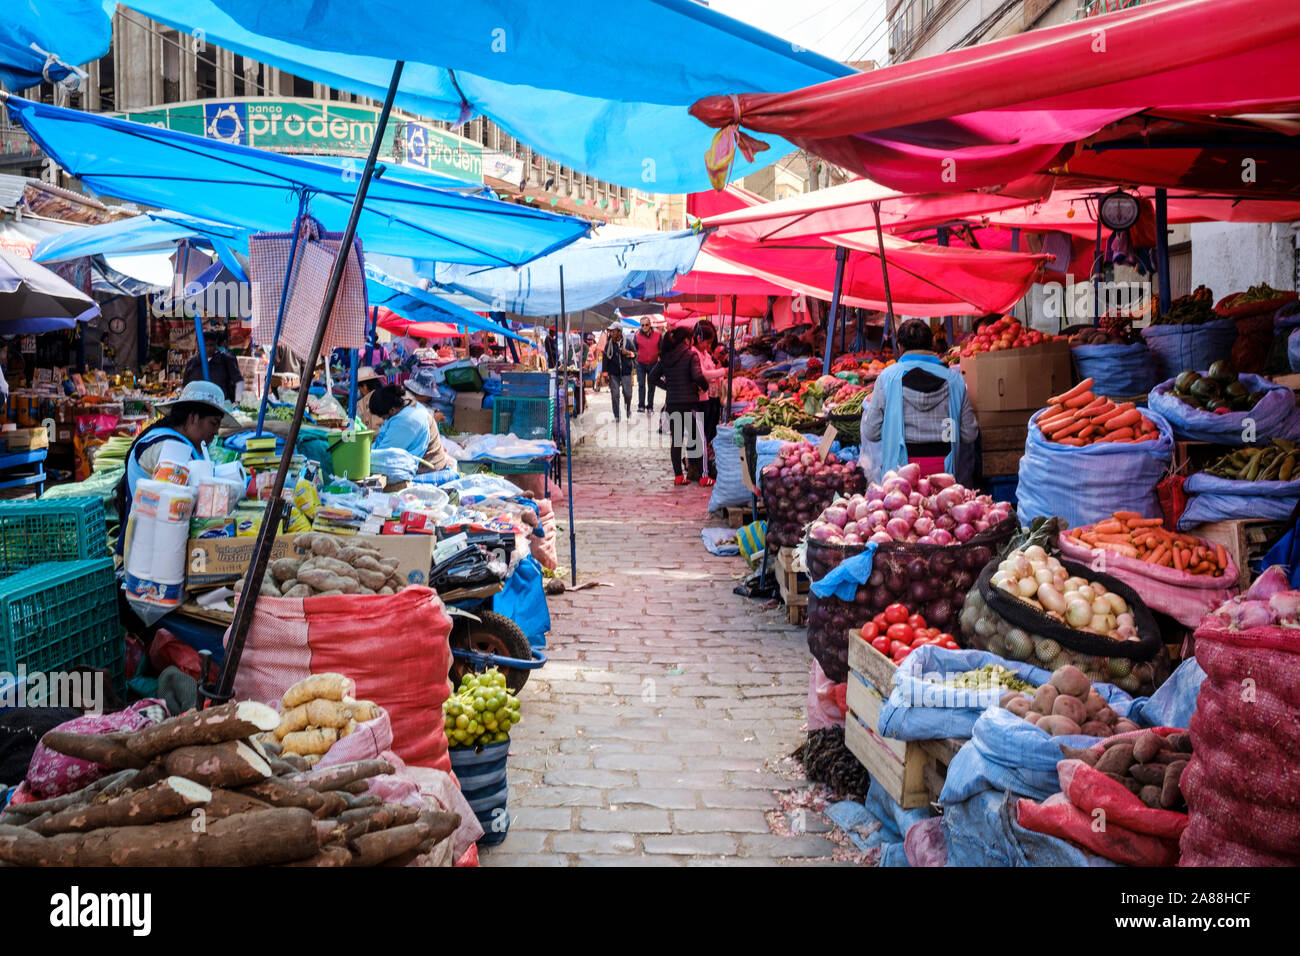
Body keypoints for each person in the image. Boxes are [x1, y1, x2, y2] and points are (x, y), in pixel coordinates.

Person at [115, 381, 237, 554]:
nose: (216, 431)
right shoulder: (170, 448)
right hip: (148, 553)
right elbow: (171, 507)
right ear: (193, 418)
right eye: (214, 423)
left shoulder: (185, 444)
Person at [860, 319, 978, 485]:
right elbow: (969, 434)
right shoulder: (955, 380)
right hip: (945, 471)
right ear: (931, 343)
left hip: (900, 473)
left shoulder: (888, 377)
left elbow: (871, 432)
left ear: (899, 345)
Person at [650, 326, 711, 487]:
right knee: (699, 439)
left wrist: (668, 386)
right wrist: (705, 387)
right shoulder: (691, 355)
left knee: (676, 441)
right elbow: (698, 375)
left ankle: (678, 476)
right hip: (690, 403)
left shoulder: (665, 357)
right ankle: (704, 476)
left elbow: (652, 377)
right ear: (686, 339)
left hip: (672, 404)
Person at [692, 321, 728, 485]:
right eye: (707, 342)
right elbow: (703, 374)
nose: (708, 346)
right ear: (699, 339)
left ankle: (700, 465)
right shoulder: (694, 354)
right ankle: (699, 468)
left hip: (710, 396)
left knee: (706, 432)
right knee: (701, 434)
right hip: (700, 398)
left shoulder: (704, 354)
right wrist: (722, 371)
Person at [399, 368, 453, 472]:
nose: (430, 398)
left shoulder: (416, 402)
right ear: (422, 394)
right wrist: (433, 417)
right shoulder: (406, 402)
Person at [370, 384, 432, 460]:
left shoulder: (406, 421)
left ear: (392, 410)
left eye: (384, 417)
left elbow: (383, 455)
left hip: (418, 466)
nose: (384, 421)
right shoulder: (407, 405)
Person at [182, 328, 243, 402]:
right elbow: (185, 386)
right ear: (197, 345)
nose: (208, 348)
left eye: (211, 345)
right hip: (197, 406)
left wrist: (237, 402)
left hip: (222, 405)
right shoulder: (192, 363)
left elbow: (239, 381)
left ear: (216, 345)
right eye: (205, 345)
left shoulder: (226, 360)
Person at [600, 322, 636, 421]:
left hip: (626, 372)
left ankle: (627, 410)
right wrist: (605, 373)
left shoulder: (628, 342)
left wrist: (629, 353)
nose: (611, 333)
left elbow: (636, 354)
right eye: (610, 331)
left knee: (627, 393)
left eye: (613, 331)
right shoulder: (609, 344)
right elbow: (605, 358)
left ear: (619, 332)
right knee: (615, 395)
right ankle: (616, 415)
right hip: (613, 373)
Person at [633, 317, 662, 413]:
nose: (644, 327)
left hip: (653, 364)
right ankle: (641, 406)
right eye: (642, 325)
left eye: (646, 325)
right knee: (641, 385)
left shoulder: (658, 335)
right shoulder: (636, 336)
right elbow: (634, 350)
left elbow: (661, 350)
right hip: (640, 364)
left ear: (650, 325)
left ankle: (650, 406)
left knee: (651, 385)